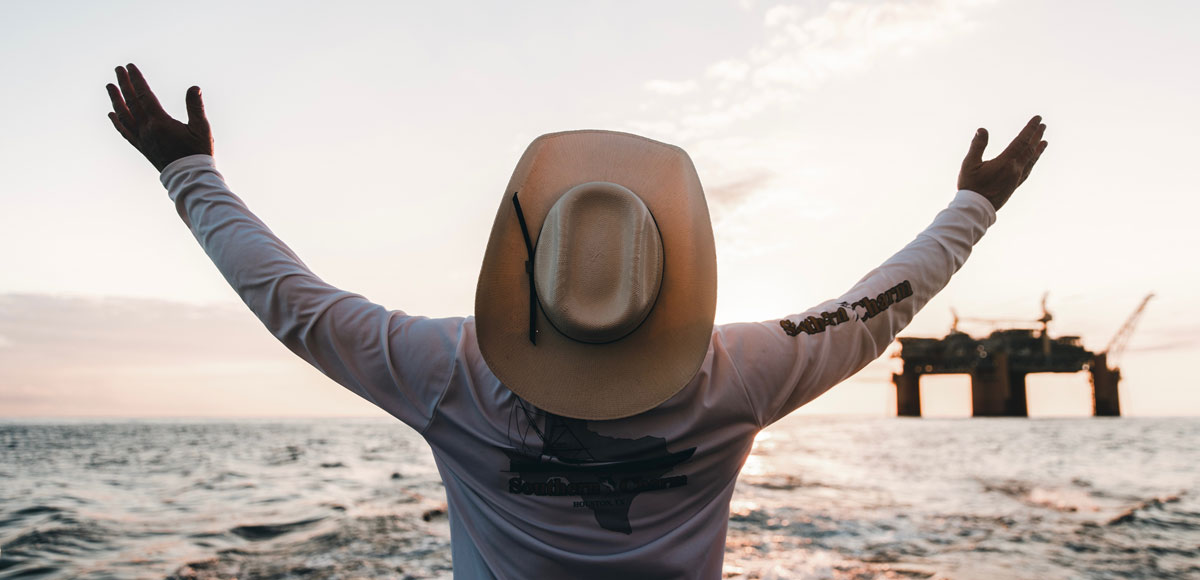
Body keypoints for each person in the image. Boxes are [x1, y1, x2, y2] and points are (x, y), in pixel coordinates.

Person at [106, 63, 1047, 579]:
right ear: (671, 277)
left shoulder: (448, 370)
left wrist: (187, 173)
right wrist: (975, 204)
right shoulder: (742, 374)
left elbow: (294, 305)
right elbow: (878, 310)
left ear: (528, 273)